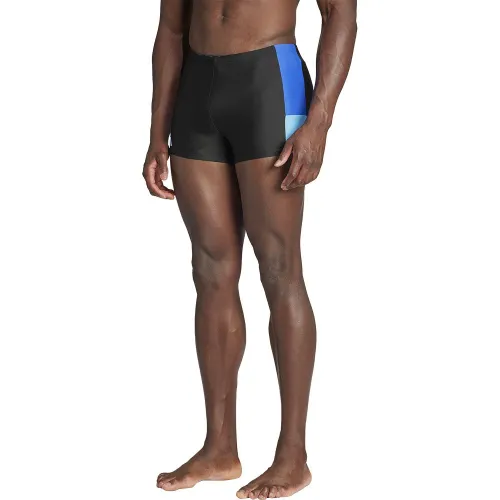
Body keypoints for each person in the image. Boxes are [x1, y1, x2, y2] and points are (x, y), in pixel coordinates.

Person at [143, 0, 357, 497]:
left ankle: (293, 456)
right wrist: (156, 131)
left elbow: (340, 14)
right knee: (210, 269)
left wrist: (320, 121)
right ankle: (219, 447)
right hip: (196, 91)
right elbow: (170, 29)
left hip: (269, 82)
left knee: (279, 269)